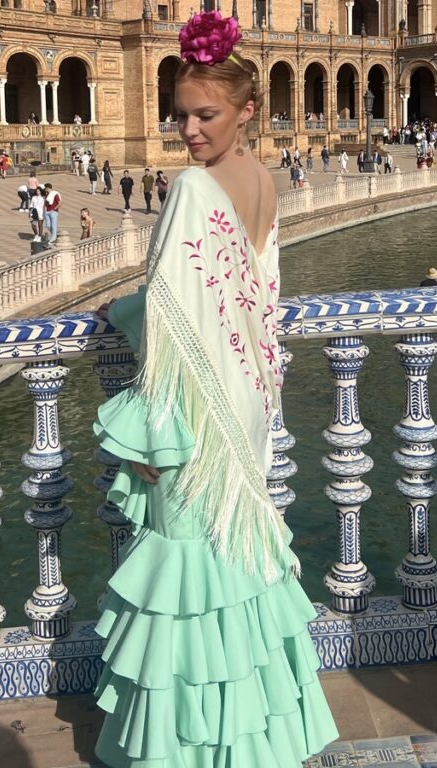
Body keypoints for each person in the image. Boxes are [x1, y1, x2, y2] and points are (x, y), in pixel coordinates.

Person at [91, 11, 337, 766]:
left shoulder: (194, 188)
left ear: (245, 111)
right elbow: (251, 296)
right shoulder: (263, 179)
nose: (190, 130)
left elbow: (170, 318)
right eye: (182, 115)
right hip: (248, 402)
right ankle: (257, 744)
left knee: (189, 577)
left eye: (206, 114)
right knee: (237, 572)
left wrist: (150, 431)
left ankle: (189, 752)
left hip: (194, 417)